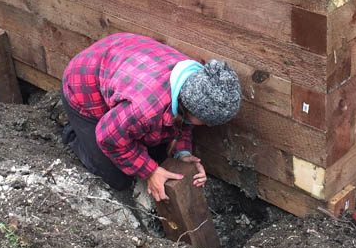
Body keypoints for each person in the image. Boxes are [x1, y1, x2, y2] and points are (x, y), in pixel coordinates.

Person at [61, 33, 242, 202]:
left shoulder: (195, 83)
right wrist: (151, 172)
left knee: (156, 151)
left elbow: (184, 123)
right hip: (84, 88)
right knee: (118, 178)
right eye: (205, 121)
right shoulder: (145, 109)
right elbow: (108, 137)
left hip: (121, 65)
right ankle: (74, 134)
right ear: (188, 106)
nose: (206, 126)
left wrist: (183, 153)